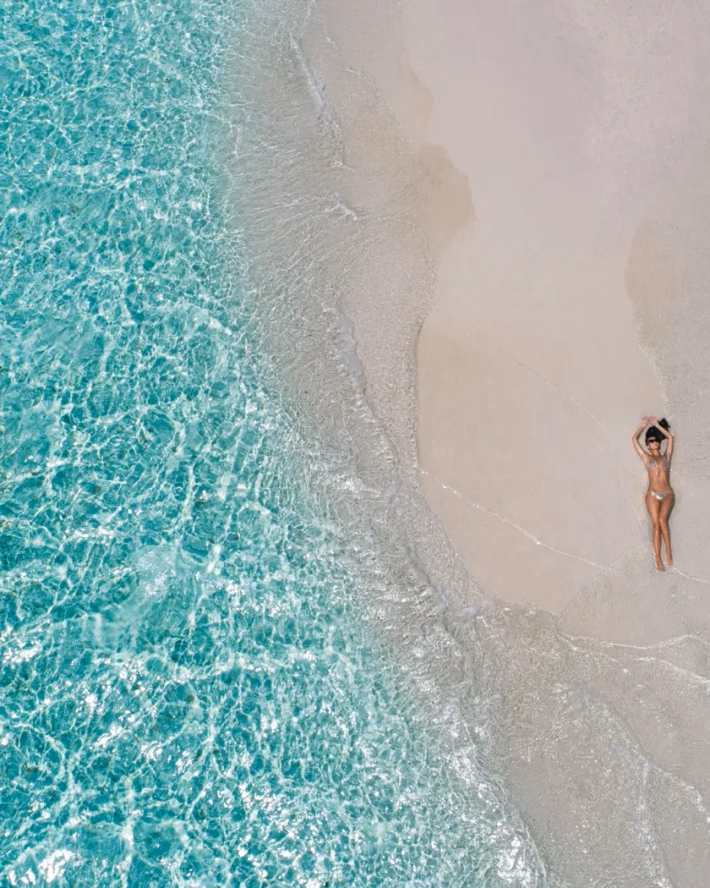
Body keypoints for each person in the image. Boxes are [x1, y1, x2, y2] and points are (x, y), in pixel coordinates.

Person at [631, 416, 674, 570]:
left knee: (663, 521)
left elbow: (670, 437)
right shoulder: (646, 457)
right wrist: (642, 427)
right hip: (652, 495)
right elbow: (634, 439)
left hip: (668, 493)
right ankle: (658, 559)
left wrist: (656, 425)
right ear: (647, 445)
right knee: (656, 525)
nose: (653, 442)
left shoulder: (666, 456)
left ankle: (668, 552)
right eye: (650, 441)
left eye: (655, 440)